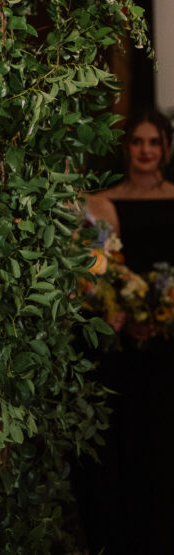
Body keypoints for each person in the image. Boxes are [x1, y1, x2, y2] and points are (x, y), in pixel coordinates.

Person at [76, 109, 174, 554]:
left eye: (154, 142)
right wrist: (127, 310)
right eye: (138, 142)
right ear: (127, 147)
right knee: (125, 445)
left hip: (171, 346)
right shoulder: (104, 203)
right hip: (121, 344)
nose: (146, 150)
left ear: (167, 148)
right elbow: (102, 267)